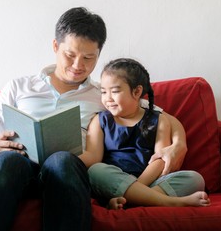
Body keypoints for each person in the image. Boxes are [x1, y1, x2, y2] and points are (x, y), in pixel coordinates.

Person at [0, 7, 188, 231]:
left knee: (61, 160)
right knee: (5, 161)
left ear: (98, 55)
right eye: (70, 55)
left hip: (66, 170)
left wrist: (179, 144)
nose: (78, 65)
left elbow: (159, 115)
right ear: (55, 47)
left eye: (89, 58)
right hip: (19, 166)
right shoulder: (19, 87)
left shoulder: (103, 94)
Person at [79, 58, 210, 210]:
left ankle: (130, 200)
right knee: (96, 170)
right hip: (113, 182)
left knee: (194, 179)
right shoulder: (100, 120)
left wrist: (137, 186)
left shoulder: (159, 119)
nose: (107, 98)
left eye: (114, 91)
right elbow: (93, 157)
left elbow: (160, 160)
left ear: (137, 92)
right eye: (103, 92)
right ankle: (168, 201)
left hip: (147, 181)